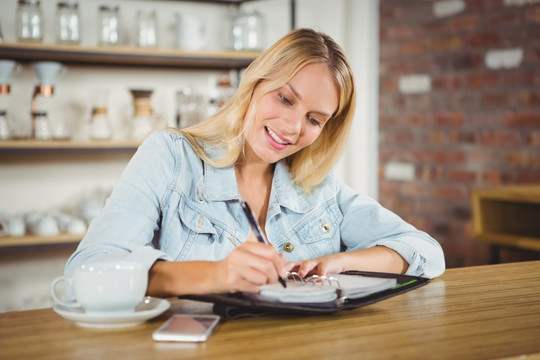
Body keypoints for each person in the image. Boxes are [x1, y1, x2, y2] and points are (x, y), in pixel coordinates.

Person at [65, 28, 445, 298]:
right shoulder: (171, 156)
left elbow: (425, 251)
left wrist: (340, 262)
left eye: (315, 119)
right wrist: (213, 275)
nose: (293, 128)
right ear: (255, 82)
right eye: (284, 99)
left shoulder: (317, 187)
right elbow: (87, 271)